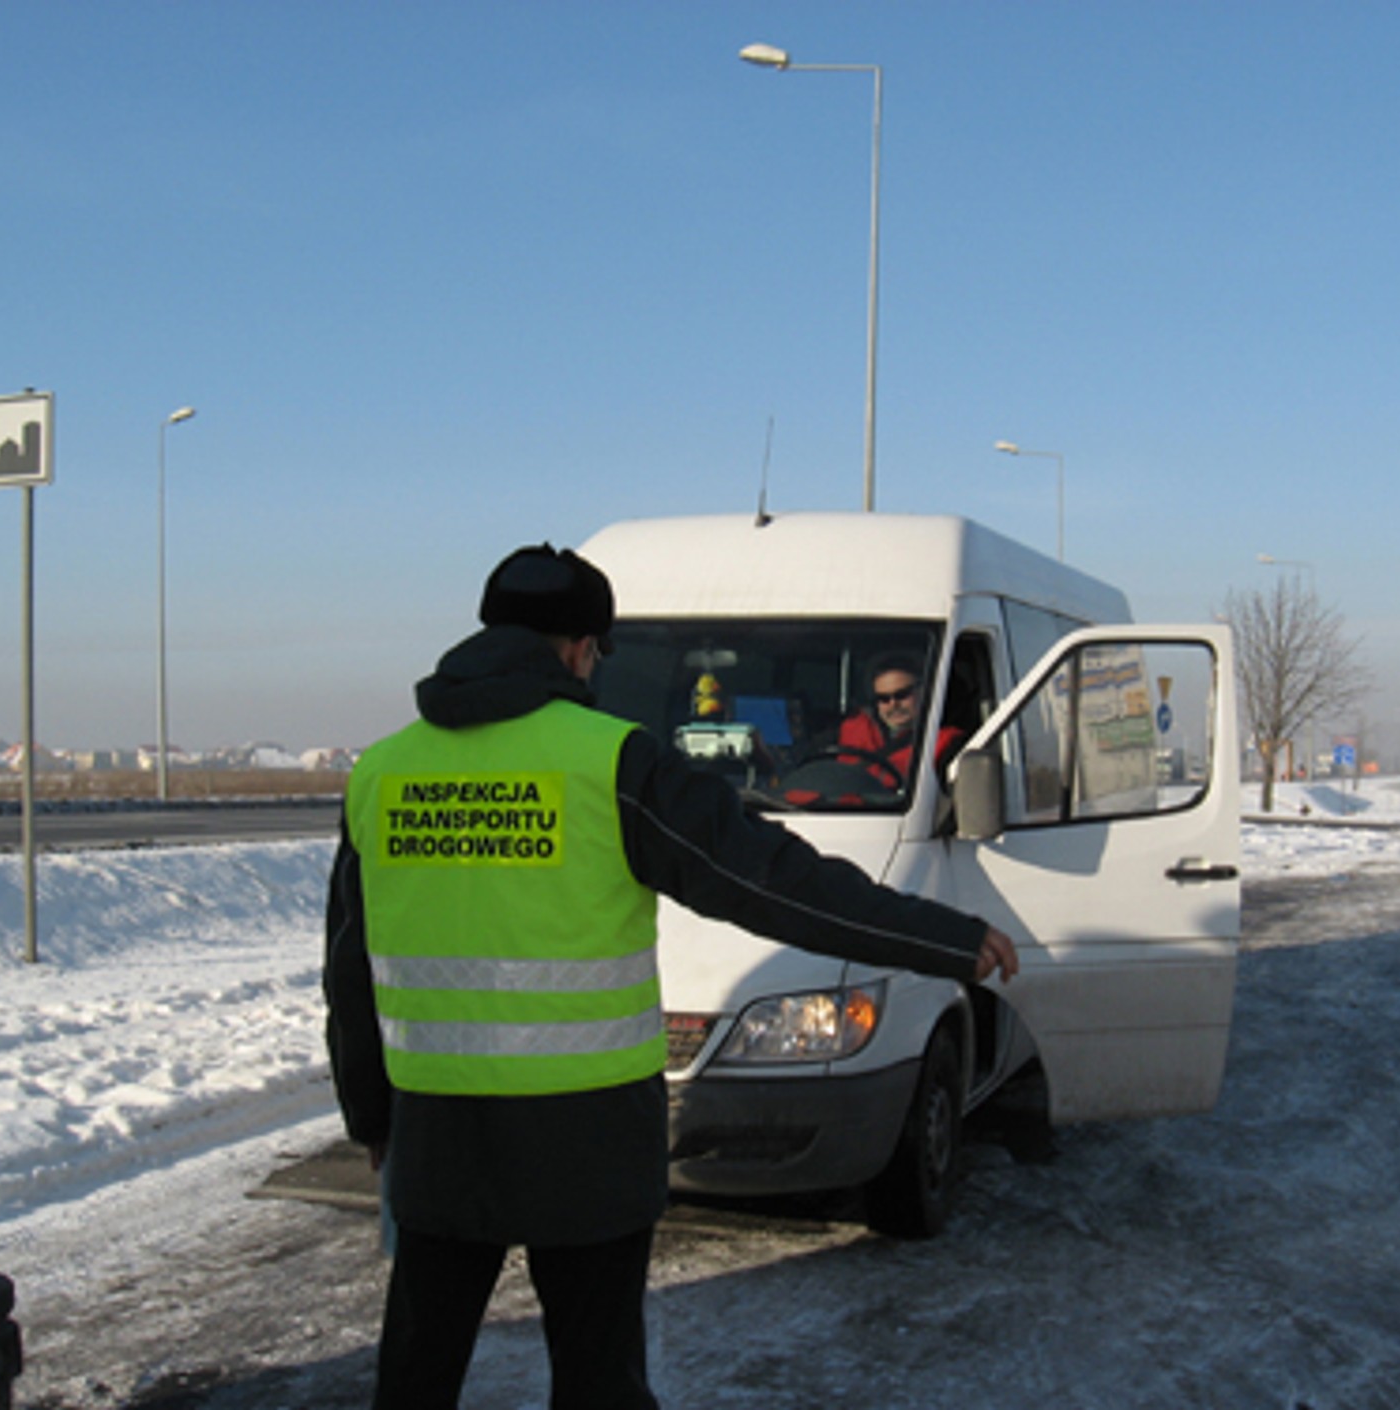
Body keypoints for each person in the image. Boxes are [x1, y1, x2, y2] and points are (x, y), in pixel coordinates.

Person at [324, 543, 1018, 1410]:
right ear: (581, 648)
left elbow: (348, 968)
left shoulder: (383, 771)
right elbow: (775, 886)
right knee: (597, 1380)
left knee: (417, 1381)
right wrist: (944, 939)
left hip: (437, 1135)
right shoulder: (612, 760)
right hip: (587, 1140)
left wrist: (372, 1114)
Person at [836, 652, 965, 787]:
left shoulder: (945, 742)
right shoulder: (853, 731)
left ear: (924, 691)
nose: (893, 704)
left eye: (902, 695)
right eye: (883, 698)